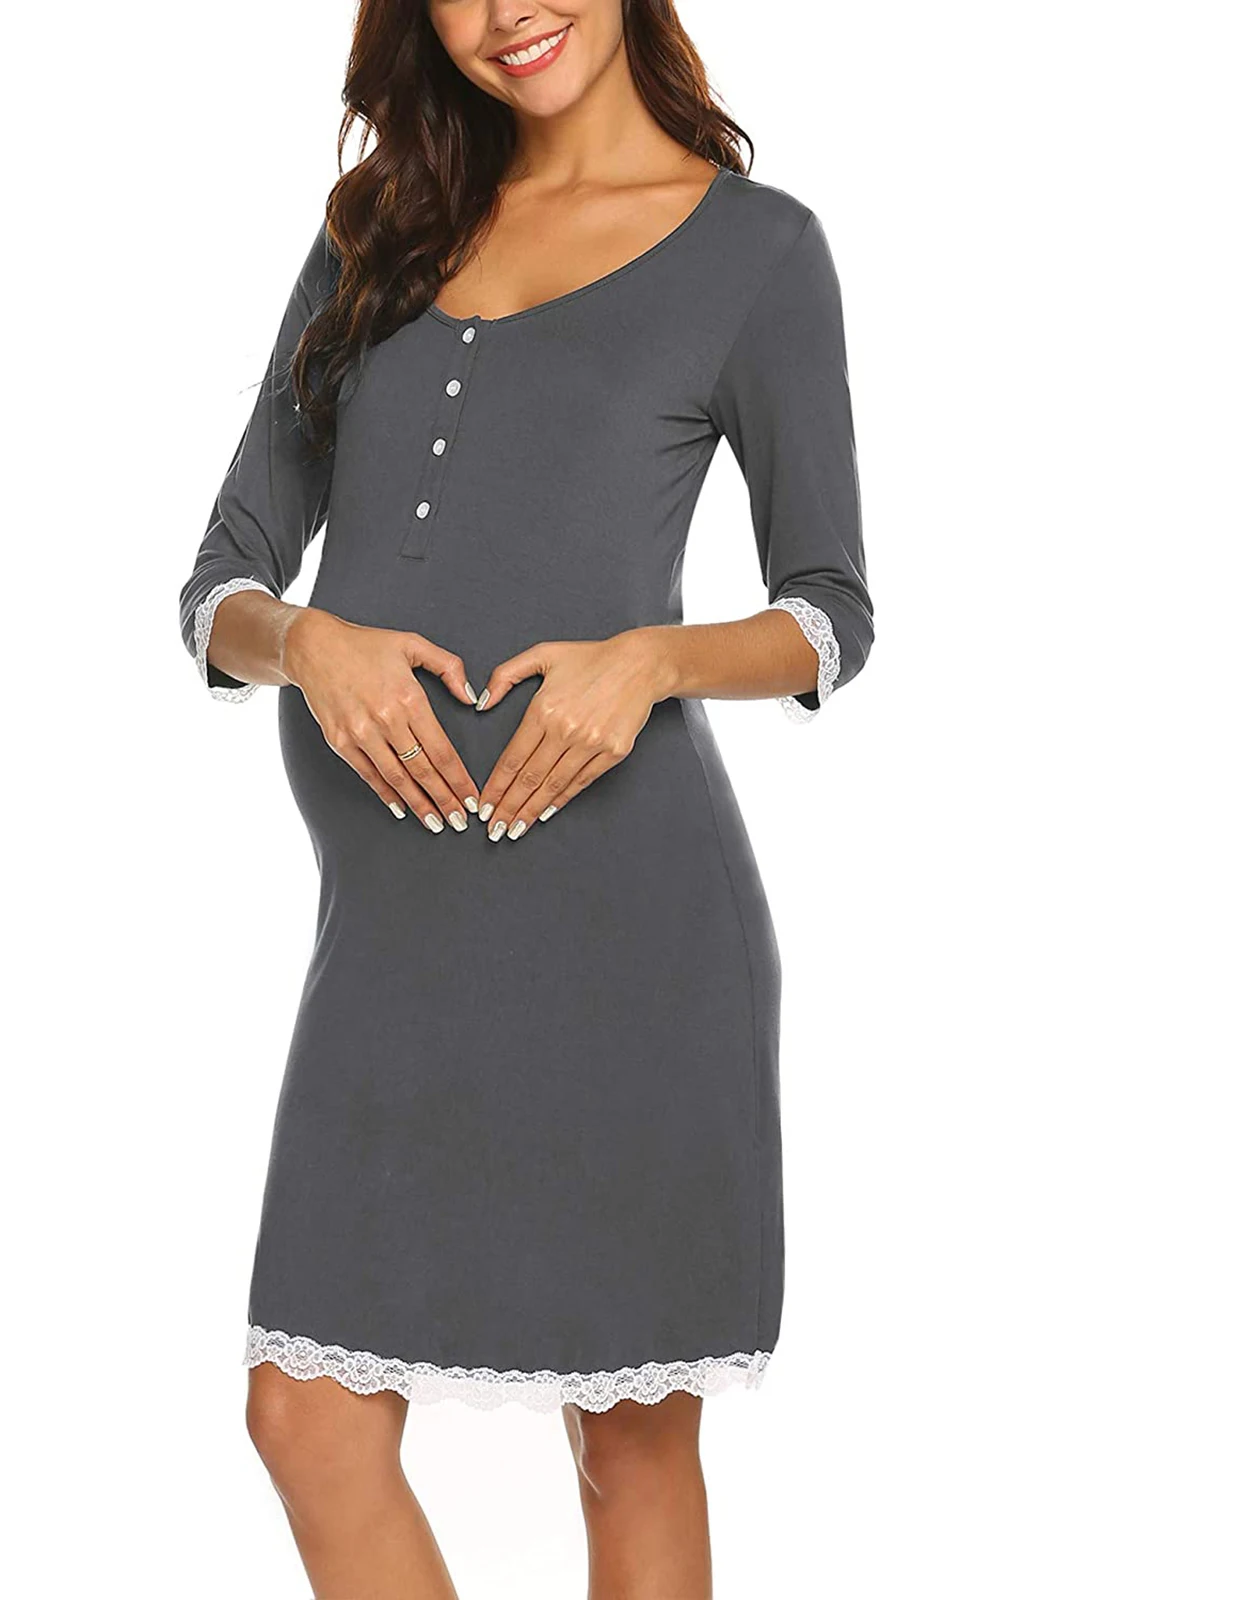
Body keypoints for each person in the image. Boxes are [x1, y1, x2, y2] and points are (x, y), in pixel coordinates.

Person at [176, 2, 873, 1594]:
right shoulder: (377, 229)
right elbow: (220, 580)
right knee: (306, 1418)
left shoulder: (756, 249)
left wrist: (654, 661)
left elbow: (834, 610)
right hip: (391, 945)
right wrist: (306, 643)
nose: (506, 11)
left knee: (630, 1449)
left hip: (631, 935)